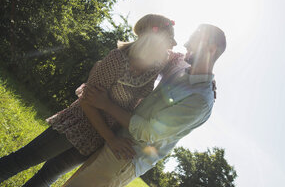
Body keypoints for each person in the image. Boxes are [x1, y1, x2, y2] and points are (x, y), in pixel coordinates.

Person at [0, 14, 178, 187]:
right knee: (22, 160)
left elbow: (181, 64)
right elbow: (87, 101)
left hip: (98, 139)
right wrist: (111, 139)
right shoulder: (118, 59)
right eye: (170, 37)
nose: (174, 43)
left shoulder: (155, 66)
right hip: (78, 124)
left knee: (48, 176)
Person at [63, 24, 226, 187]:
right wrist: (161, 26)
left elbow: (149, 131)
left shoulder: (200, 100)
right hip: (116, 140)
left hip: (127, 156)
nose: (185, 45)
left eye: (194, 41)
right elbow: (157, 49)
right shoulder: (181, 64)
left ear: (211, 49)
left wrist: (106, 104)